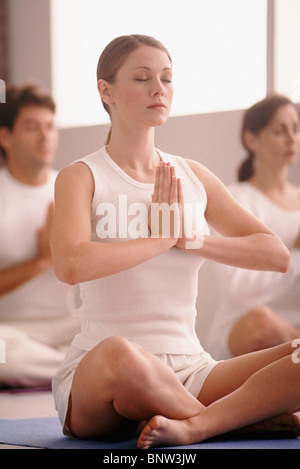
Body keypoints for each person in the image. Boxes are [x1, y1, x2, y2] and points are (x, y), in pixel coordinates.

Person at [51, 35, 300, 450]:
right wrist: (159, 239)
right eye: (143, 78)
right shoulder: (81, 176)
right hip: (102, 372)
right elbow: (70, 264)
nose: (158, 89)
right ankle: (230, 420)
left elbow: (274, 254)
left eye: (166, 78)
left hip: (192, 368)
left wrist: (193, 240)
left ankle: (194, 424)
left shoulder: (193, 175)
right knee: (121, 353)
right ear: (105, 90)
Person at [205, 95, 300, 360]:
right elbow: (240, 288)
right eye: (280, 131)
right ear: (251, 140)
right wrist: (295, 252)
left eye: (296, 129)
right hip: (245, 332)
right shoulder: (234, 200)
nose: (292, 139)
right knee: (262, 322)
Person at [0, 84, 81, 389]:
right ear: (5, 137)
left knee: (123, 334)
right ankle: (79, 371)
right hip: (7, 331)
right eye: (32, 127)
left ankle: (72, 367)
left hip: (67, 325)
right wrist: (43, 260)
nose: (45, 137)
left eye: (50, 127)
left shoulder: (73, 186)